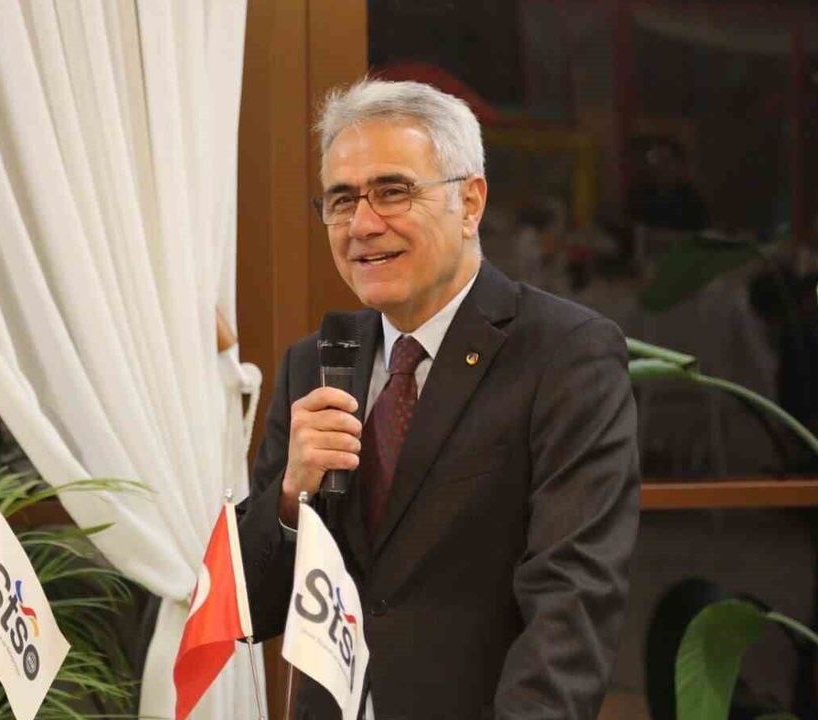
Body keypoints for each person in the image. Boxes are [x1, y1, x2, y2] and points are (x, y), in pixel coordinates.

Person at [236, 80, 639, 719]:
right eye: (341, 200)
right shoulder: (313, 364)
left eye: (393, 191)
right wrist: (289, 498)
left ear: (469, 202)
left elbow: (572, 598)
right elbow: (252, 606)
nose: (362, 225)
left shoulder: (565, 354)